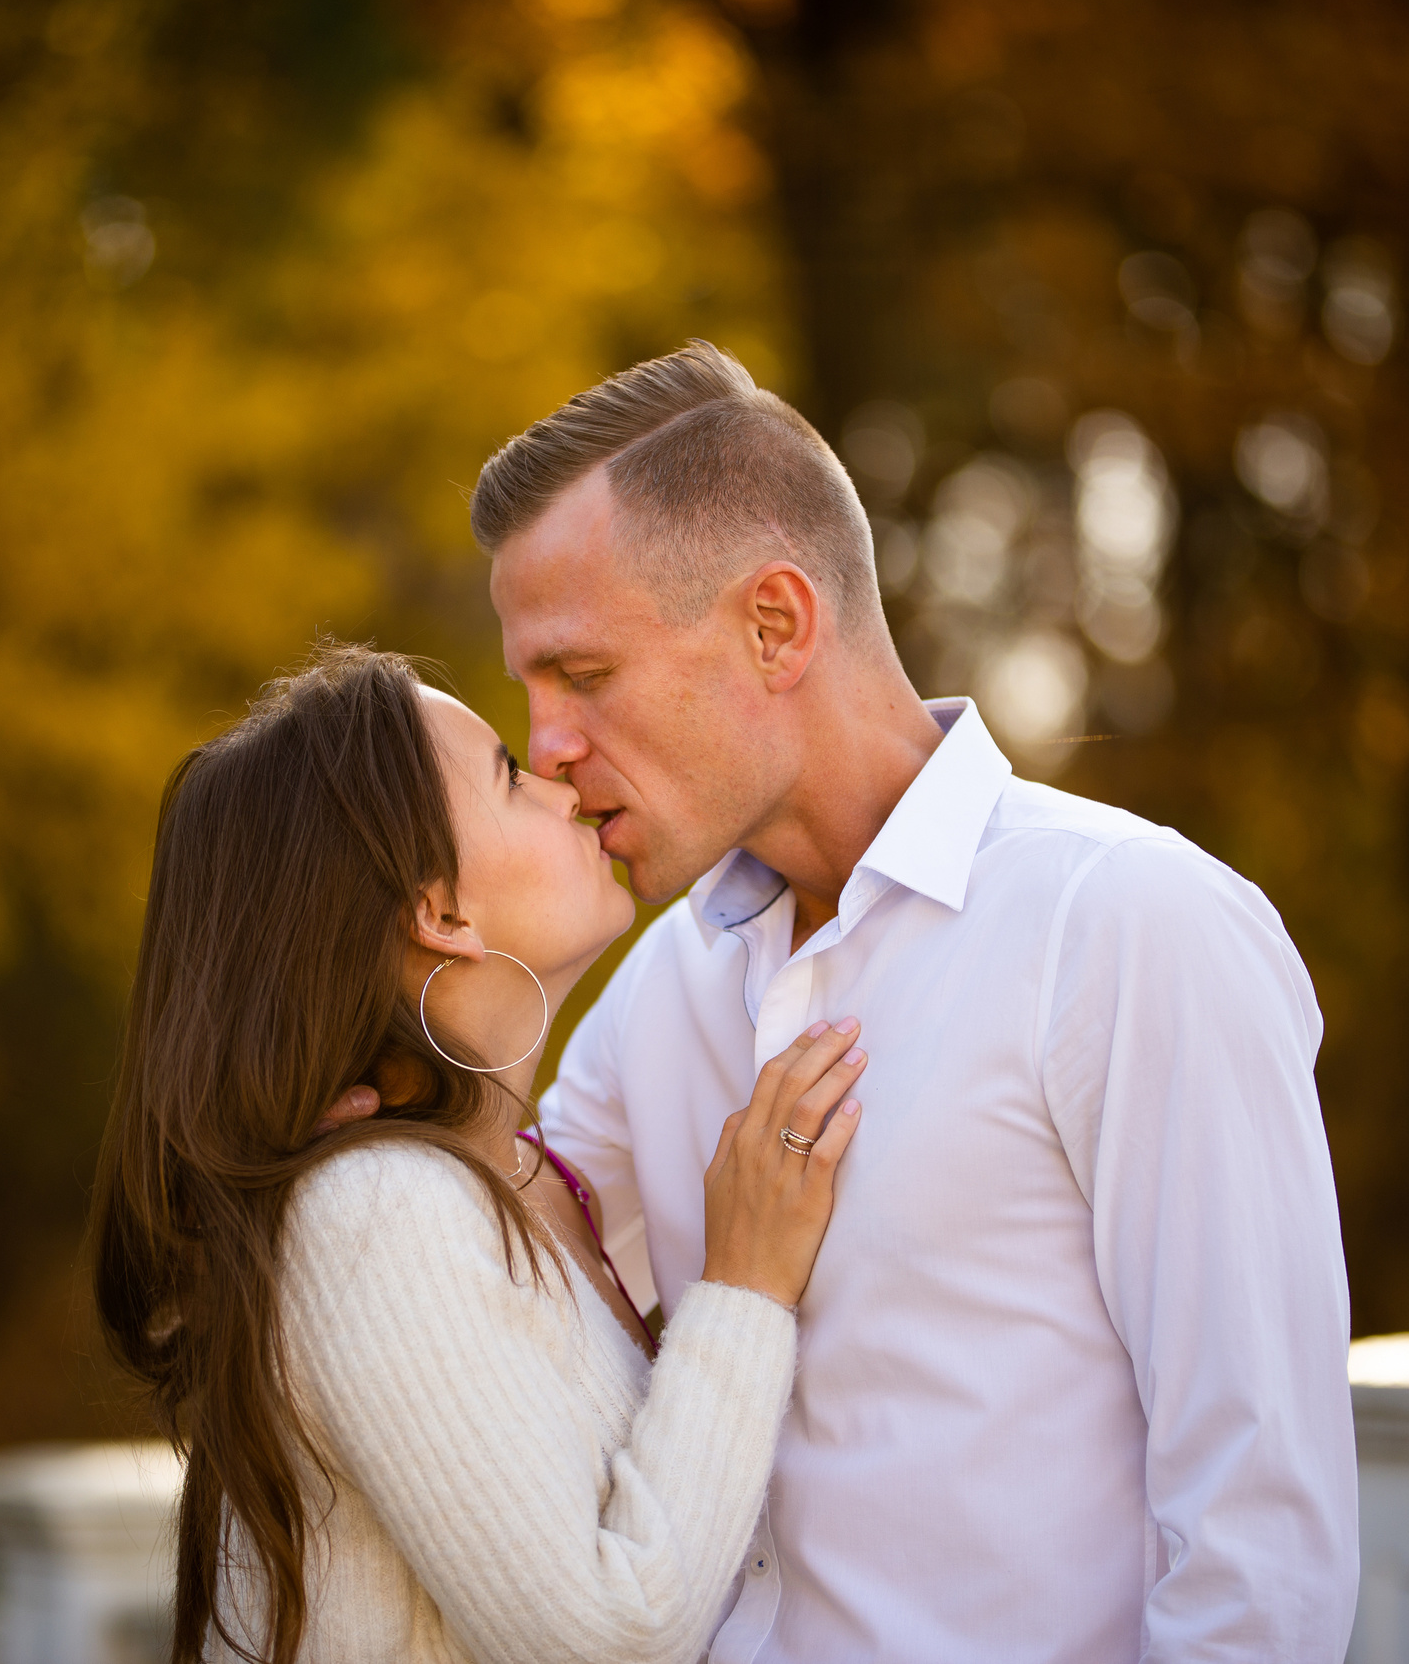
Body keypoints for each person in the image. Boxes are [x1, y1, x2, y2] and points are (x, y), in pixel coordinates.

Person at [470, 342, 1359, 1659]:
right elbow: (493, 1276)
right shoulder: (662, 983)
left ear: (775, 623)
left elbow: (1261, 1549)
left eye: (582, 675)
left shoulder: (1126, 928)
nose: (543, 743)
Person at [88, 644, 870, 1664]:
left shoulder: (507, 1174)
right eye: (506, 772)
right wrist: (745, 1285)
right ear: (440, 912)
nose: (556, 783)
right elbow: (608, 1633)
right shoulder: (376, 1209)